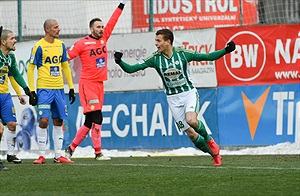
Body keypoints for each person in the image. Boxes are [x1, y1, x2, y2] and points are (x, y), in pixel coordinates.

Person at [114, 29, 236, 166]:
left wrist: (226, 50)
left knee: (192, 121)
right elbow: (132, 69)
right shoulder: (155, 59)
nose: (156, 44)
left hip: (188, 93)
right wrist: (119, 62)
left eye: (158, 41)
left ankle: (209, 140)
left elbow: (207, 57)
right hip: (173, 99)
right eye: (155, 40)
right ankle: (214, 155)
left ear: (168, 42)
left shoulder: (183, 54)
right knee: (191, 134)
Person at [64, 0, 126, 161]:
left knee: (89, 121)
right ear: (91, 29)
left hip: (99, 84)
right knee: (98, 117)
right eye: (98, 27)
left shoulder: (104, 38)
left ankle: (70, 148)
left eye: (102, 26)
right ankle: (98, 153)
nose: (101, 29)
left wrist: (121, 5)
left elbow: (114, 20)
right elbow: (66, 57)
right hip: (87, 85)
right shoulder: (82, 43)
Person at [27, 19, 76, 164]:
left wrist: (71, 87)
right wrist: (31, 91)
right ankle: (42, 155)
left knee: (58, 120)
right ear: (47, 29)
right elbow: (31, 68)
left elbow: (65, 66)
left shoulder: (61, 45)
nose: (59, 29)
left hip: (59, 89)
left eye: (58, 27)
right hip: (44, 89)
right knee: (44, 120)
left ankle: (58, 155)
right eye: (55, 27)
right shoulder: (39, 47)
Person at [0, 28, 36, 166]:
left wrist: (27, 91)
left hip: (5, 96)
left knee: (12, 124)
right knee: (0, 129)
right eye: (12, 38)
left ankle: (10, 154)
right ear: (3, 42)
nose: (15, 40)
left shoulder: (10, 57)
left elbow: (15, 74)